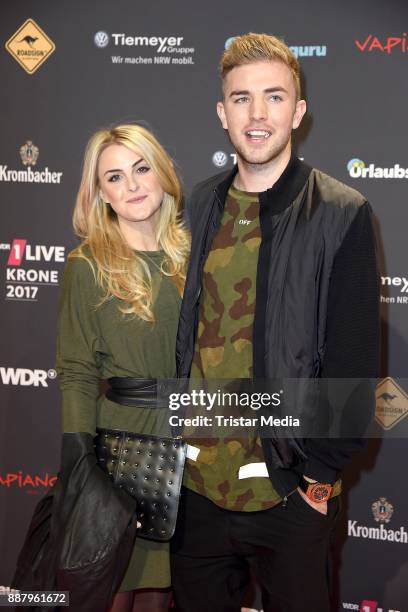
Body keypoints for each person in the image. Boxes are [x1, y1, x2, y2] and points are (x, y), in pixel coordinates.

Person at [171, 33, 380, 612]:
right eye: (241, 99)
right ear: (222, 113)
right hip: (198, 492)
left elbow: (355, 359)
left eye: (273, 97)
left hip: (288, 495)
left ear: (298, 111)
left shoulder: (341, 211)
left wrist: (317, 480)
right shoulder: (200, 204)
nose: (257, 114)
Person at [13, 124, 189, 612]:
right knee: (109, 594)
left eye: (140, 168)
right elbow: (75, 370)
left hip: (190, 456)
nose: (131, 185)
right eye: (114, 177)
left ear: (162, 173)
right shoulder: (87, 265)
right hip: (121, 461)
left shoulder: (193, 260)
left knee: (164, 596)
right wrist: (79, 466)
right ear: (101, 193)